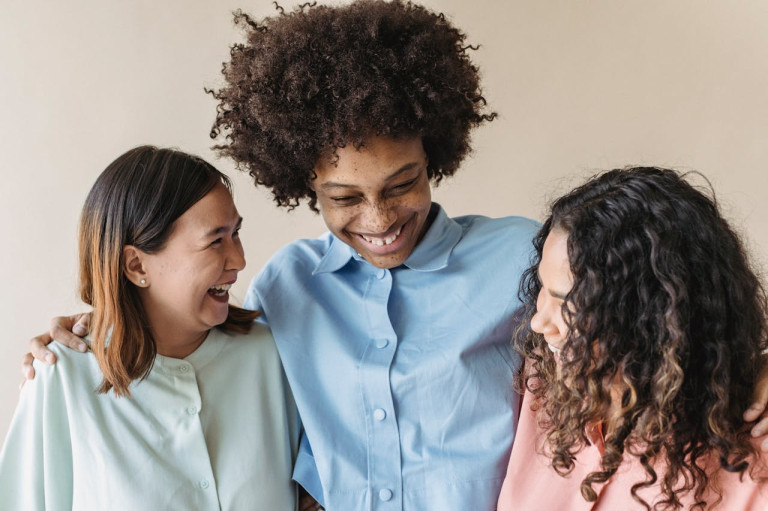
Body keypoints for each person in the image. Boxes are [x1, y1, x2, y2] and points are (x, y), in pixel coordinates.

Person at [21, 2, 768, 510]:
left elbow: (641, 316)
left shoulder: (523, 259)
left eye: (402, 184)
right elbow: (192, 344)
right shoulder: (287, 287)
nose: (378, 219)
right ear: (302, 182)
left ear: (436, 157)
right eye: (344, 197)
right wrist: (92, 324)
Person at [1, 146, 299, 510]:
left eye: (236, 233)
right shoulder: (61, 376)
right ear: (137, 265)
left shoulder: (270, 355)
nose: (239, 259)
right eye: (215, 240)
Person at [498, 167, 768, 510]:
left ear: (653, 317)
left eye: (567, 303)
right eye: (541, 289)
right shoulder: (539, 382)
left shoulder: (751, 466)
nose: (538, 322)